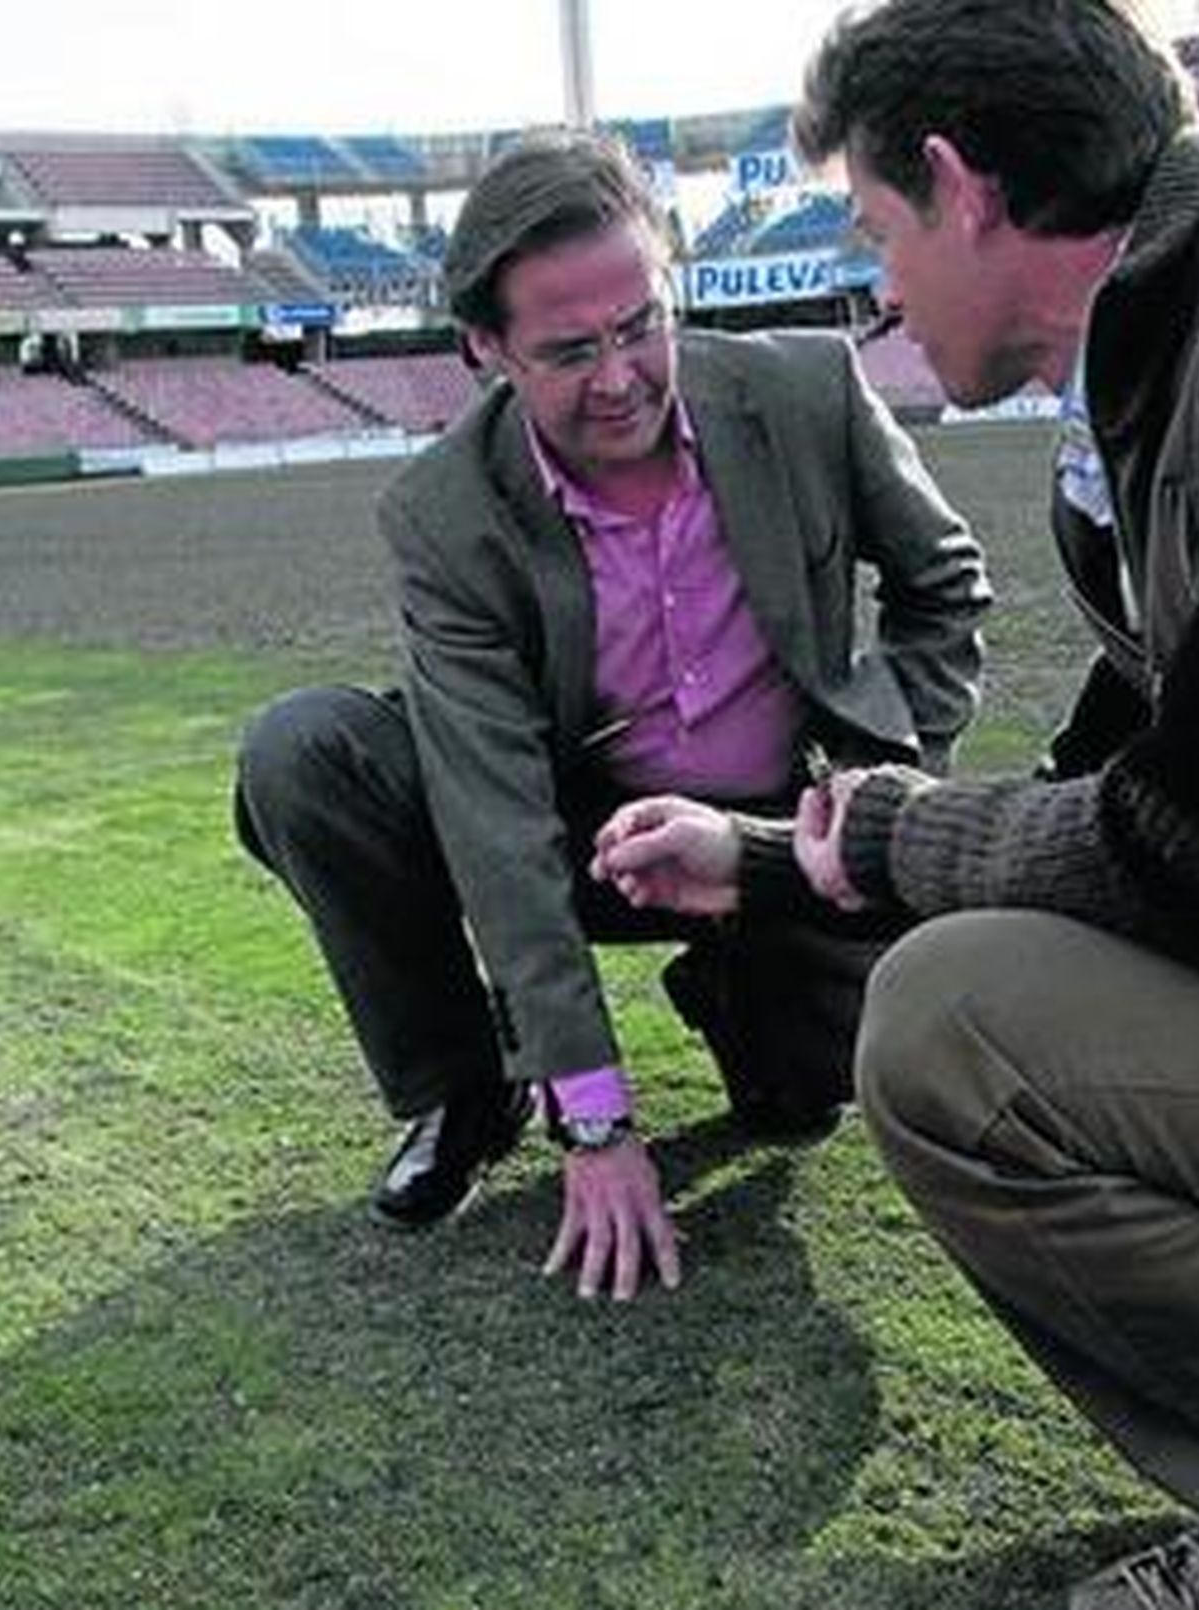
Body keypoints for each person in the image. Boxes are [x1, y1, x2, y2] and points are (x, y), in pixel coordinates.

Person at [591, 0, 1199, 1600]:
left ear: (963, 185)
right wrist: (780, 864)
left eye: (878, 225)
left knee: (950, 1036)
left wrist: (876, 837)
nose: (877, 284)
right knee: (961, 990)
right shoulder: (1177, 350)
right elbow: (1105, 796)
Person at [234, 128, 991, 1301]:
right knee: (306, 751)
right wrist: (591, 1114)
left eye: (642, 323)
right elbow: (494, 819)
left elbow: (943, 587)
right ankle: (463, 1088)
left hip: (776, 829)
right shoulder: (442, 513)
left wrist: (874, 787)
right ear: (487, 349)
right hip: (579, 825)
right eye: (570, 349)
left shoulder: (807, 390)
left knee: (807, 1093)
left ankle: (747, 988)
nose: (623, 375)